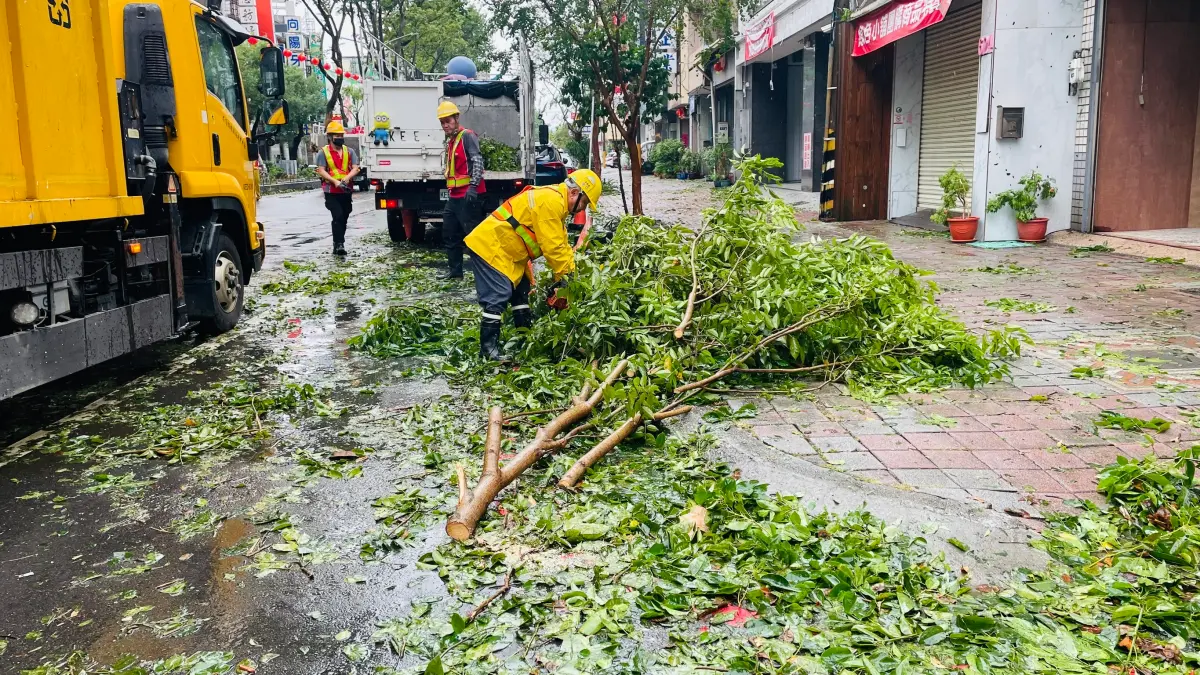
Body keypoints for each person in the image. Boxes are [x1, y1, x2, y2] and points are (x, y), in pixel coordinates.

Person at [464, 169, 602, 360]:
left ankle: (525, 336)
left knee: (521, 291)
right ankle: (488, 350)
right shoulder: (550, 202)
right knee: (498, 294)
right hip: (491, 246)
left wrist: (565, 277)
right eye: (584, 203)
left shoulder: (557, 204)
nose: (582, 209)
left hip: (508, 252)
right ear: (574, 193)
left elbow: (562, 246)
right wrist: (567, 280)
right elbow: (553, 248)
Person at [437, 101, 486, 279]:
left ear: (456, 118)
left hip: (468, 196)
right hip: (455, 197)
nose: (445, 125)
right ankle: (455, 272)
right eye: (442, 122)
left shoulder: (467, 136)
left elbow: (478, 161)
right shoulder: (451, 141)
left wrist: (473, 187)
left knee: (474, 238)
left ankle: (484, 274)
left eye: (447, 121)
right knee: (450, 234)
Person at [314, 119, 360, 256]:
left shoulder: (350, 151)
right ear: (330, 137)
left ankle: (339, 242)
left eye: (341, 135)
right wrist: (335, 181)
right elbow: (321, 170)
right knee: (338, 215)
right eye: (337, 136)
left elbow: (356, 168)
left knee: (344, 216)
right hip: (331, 191)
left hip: (346, 190)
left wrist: (345, 179)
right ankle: (338, 244)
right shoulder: (323, 153)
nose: (340, 138)